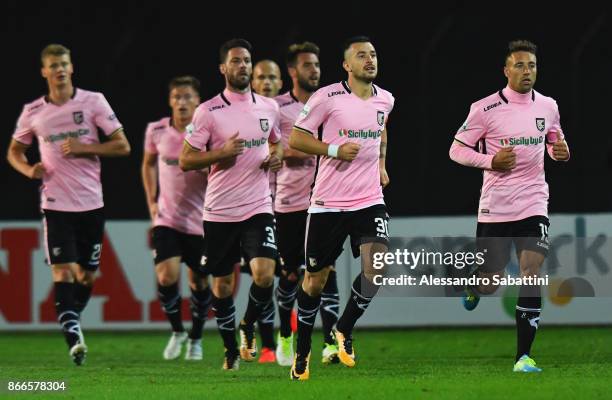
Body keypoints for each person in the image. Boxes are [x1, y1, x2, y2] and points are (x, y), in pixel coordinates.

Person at [449, 39, 570, 373]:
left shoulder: (548, 105)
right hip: (496, 206)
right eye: (519, 65)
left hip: (534, 201)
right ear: (506, 70)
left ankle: (523, 357)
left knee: (532, 273)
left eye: (531, 65)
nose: (526, 71)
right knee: (492, 281)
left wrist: (560, 151)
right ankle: (474, 284)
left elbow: (555, 139)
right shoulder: (484, 109)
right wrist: (491, 161)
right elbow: (456, 150)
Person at [6, 44, 130, 365]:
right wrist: (27, 169)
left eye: (64, 64)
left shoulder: (94, 101)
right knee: (63, 273)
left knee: (86, 277)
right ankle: (74, 338)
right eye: (53, 65)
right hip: (56, 204)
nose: (60, 69)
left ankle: (71, 316)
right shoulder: (33, 112)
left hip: (91, 203)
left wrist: (86, 148)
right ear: (44, 72)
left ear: (72, 68)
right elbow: (14, 152)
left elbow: (122, 146)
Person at [287, 36, 394, 380]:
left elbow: (382, 132)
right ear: (347, 65)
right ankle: (301, 355)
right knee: (314, 282)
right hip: (327, 204)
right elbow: (297, 138)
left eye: (373, 54)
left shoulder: (386, 99)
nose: (370, 60)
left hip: (368, 200)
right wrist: (333, 150)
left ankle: (343, 329)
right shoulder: (326, 97)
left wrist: (381, 164)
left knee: (376, 267)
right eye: (361, 56)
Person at [179, 38, 283, 370]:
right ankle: (230, 351)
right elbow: (185, 159)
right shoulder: (208, 111)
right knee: (222, 285)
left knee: (265, 275)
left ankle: (247, 325)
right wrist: (220, 154)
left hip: (258, 206)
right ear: (223, 68)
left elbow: (276, 143)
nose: (243, 66)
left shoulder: (269, 107)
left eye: (247, 60)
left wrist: (276, 158)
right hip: (220, 210)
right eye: (236, 61)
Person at [272, 41, 341, 367]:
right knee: (289, 275)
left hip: (326, 200)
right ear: (292, 71)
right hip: (288, 204)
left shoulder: (329, 103)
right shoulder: (276, 107)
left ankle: (330, 342)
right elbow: (271, 151)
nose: (314, 70)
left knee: (327, 272)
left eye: (316, 64)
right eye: (307, 65)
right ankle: (285, 332)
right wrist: (319, 148)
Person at [142, 76, 211, 361]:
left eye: (187, 97)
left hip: (201, 219)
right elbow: (147, 165)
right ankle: (176, 331)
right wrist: (151, 202)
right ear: (170, 101)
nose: (181, 102)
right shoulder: (156, 130)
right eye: (176, 97)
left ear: (197, 102)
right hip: (167, 219)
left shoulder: (207, 133)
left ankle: (195, 337)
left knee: (199, 283)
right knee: (166, 275)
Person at [249, 58, 284, 363]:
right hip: (254, 208)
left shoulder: (286, 112)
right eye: (261, 77)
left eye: (272, 77)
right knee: (264, 276)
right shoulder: (243, 113)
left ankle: (284, 337)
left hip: (292, 207)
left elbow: (284, 146)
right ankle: (269, 344)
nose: (267, 82)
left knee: (285, 275)